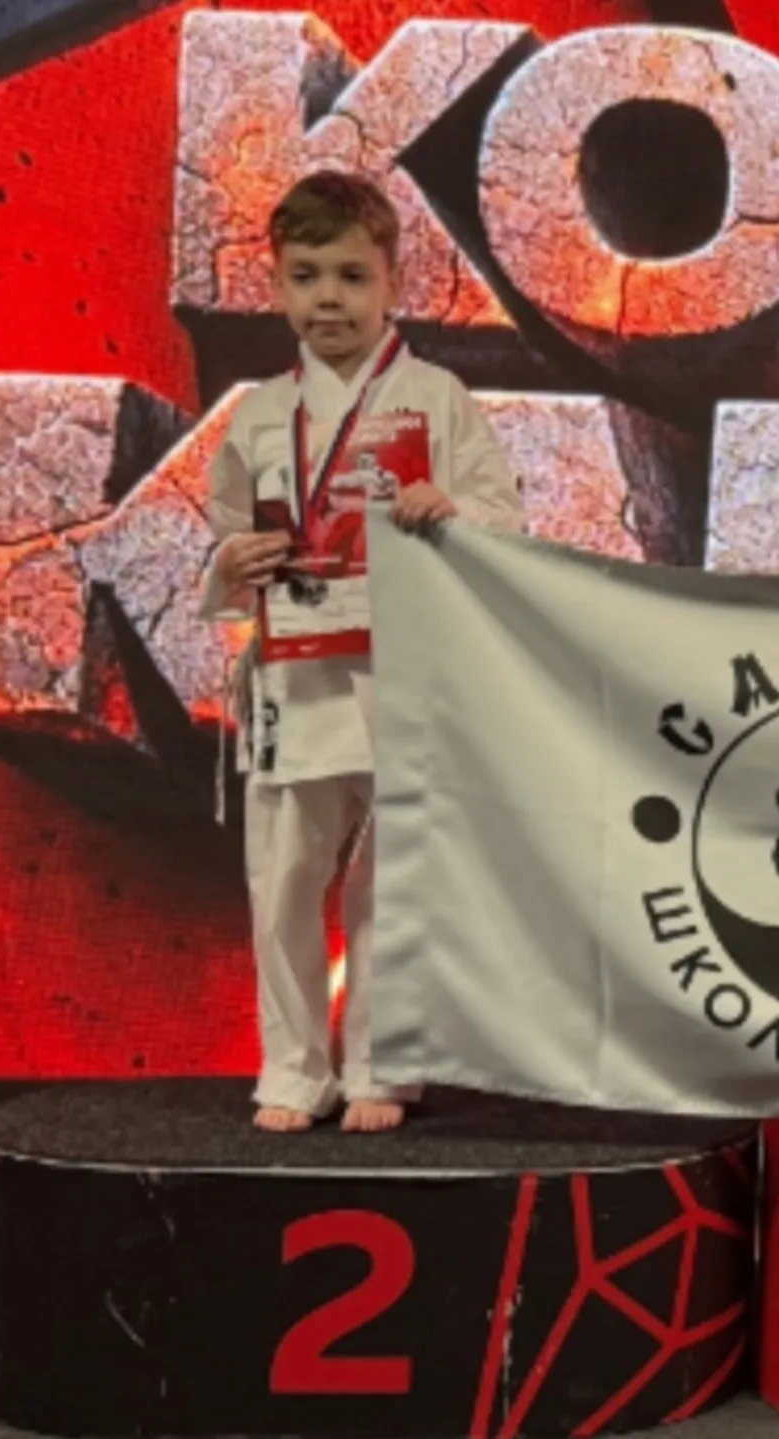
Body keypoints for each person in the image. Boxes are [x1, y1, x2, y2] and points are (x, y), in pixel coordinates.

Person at [200, 170, 525, 1134]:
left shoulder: (436, 398)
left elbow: (505, 521)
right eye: (306, 276)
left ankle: (383, 1063)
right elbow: (226, 537)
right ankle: (294, 1068)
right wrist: (232, 560)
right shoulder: (260, 412)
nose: (329, 299)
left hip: (404, 676)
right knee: (283, 881)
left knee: (394, 882)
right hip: (294, 674)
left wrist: (450, 512)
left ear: (393, 282)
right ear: (275, 286)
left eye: (351, 275)